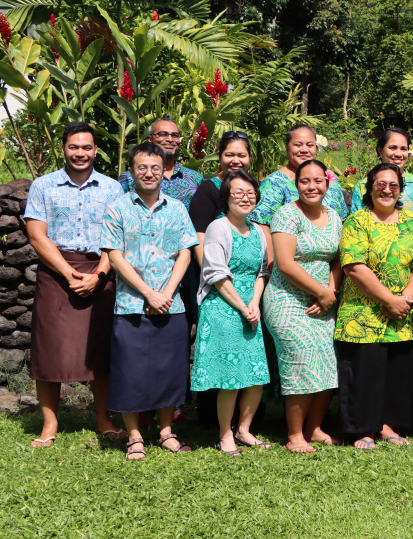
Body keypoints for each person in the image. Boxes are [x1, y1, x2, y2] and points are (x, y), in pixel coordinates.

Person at [23, 122, 127, 447]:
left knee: (99, 347)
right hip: (56, 274)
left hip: (100, 270)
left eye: (86, 147)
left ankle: (102, 419)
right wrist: (69, 274)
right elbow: (37, 235)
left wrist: (98, 276)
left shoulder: (113, 189)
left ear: (96, 150)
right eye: (73, 147)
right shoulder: (43, 186)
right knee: (49, 349)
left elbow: (118, 237)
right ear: (64, 148)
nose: (80, 153)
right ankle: (50, 424)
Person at [101, 142, 199, 460]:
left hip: (172, 304)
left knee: (170, 369)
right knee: (131, 370)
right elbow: (115, 257)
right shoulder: (118, 208)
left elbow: (185, 252)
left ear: (163, 172)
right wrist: (148, 293)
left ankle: (166, 431)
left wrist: (168, 292)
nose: (149, 173)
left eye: (155, 168)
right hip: (131, 304)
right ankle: (134, 436)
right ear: (131, 171)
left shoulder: (176, 208)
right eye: (142, 167)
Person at [336, 164, 413, 449]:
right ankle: (363, 428)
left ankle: (388, 424)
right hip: (363, 313)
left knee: (397, 369)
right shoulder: (357, 221)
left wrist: (407, 299)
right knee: (366, 369)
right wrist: (389, 300)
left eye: (393, 185)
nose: (386, 189)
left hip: (404, 312)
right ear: (369, 187)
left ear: (400, 189)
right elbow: (353, 266)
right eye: (380, 184)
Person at [262, 160, 343, 453]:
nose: (312, 187)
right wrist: (320, 292)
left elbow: (338, 260)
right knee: (302, 357)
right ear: (296, 185)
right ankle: (294, 434)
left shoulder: (334, 217)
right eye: (305, 181)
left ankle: (314, 428)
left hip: (324, 301)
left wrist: (330, 291)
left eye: (318, 181)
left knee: (329, 361)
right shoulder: (286, 214)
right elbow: (284, 264)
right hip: (287, 300)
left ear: (327, 183)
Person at [191, 171, 272, 455]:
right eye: (237, 192)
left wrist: (255, 303)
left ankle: (244, 430)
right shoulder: (218, 227)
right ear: (226, 197)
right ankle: (225, 434)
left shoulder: (259, 231)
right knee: (230, 378)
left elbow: (262, 271)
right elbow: (215, 274)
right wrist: (242, 306)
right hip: (223, 309)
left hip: (250, 309)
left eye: (250, 192)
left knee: (255, 376)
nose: (245, 197)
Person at [250, 124, 349, 254]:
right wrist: (273, 264)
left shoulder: (331, 179)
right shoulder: (274, 183)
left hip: (333, 262)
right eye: (297, 145)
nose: (304, 149)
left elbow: (342, 220)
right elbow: (262, 226)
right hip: (292, 261)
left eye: (310, 145)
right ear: (287, 148)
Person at [189, 131, 252, 266]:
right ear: (220, 157)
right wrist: (209, 273)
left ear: (249, 158)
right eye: (229, 155)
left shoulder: (256, 188)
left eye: (242, 155)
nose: (236, 160)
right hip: (218, 268)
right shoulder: (208, 189)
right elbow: (199, 235)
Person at [349, 127, 413, 228]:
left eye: (403, 149)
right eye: (392, 148)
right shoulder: (362, 186)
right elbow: (355, 226)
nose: (398, 154)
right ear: (380, 151)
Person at [117, 115, 204, 205]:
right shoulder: (130, 177)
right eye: (163, 134)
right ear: (150, 139)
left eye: (175, 135)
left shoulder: (195, 178)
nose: (170, 139)